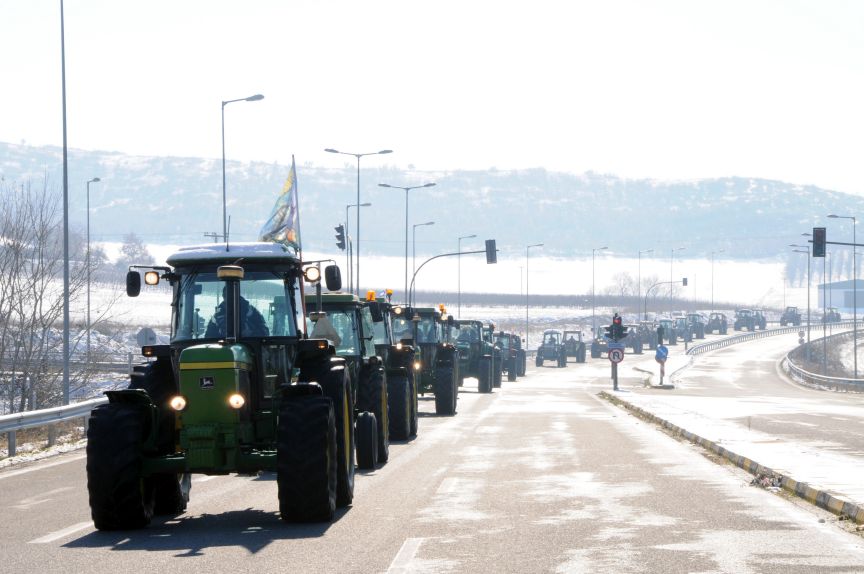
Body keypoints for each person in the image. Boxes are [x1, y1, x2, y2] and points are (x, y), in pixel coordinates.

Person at [205, 289, 269, 338]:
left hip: (250, 347)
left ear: (237, 295)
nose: (229, 299)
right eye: (226, 296)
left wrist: (250, 334)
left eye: (231, 295)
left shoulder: (251, 312)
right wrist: (220, 335)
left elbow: (264, 332)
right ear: (223, 297)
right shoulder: (218, 315)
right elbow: (208, 337)